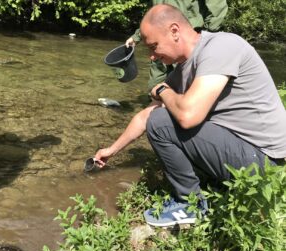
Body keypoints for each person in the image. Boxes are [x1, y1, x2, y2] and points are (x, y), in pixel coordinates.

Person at [94, 4, 286, 227]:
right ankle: (212, 184)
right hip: (246, 153)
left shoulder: (221, 46)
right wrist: (111, 151)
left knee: (163, 122)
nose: (152, 57)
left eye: (154, 47)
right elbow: (145, 116)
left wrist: (163, 90)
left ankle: (190, 205)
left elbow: (188, 116)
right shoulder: (183, 70)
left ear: (174, 31)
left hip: (266, 161)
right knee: (160, 118)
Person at [125, 0, 228, 91]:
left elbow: (217, 8)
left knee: (185, 90)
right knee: (155, 88)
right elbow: (154, 16)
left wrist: (204, 36)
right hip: (158, 45)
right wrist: (137, 36)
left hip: (185, 43)